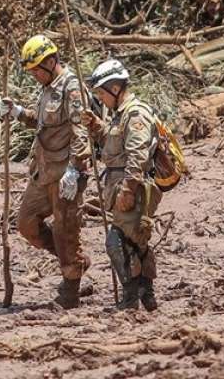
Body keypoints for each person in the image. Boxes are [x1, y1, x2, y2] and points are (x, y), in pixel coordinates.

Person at [0, 35, 91, 308]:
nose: (35, 75)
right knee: (26, 224)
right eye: (32, 71)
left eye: (38, 69)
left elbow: (81, 132)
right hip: (42, 171)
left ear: (52, 61)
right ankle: (73, 260)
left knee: (66, 229)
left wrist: (76, 170)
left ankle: (71, 287)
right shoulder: (48, 88)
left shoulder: (72, 88)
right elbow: (42, 124)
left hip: (65, 173)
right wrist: (16, 112)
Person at [80, 59, 161, 311]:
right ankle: (146, 296)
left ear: (115, 89)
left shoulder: (135, 114)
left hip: (132, 188)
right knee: (136, 243)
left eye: (102, 93)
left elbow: (138, 155)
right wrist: (95, 126)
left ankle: (130, 300)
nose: (101, 99)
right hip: (118, 185)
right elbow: (113, 144)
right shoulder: (120, 116)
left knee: (117, 243)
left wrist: (128, 189)